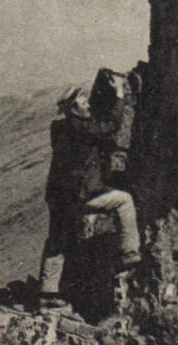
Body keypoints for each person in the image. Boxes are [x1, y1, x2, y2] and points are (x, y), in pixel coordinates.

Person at [38, 81, 140, 305]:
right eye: (83, 101)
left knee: (57, 240)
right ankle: (129, 252)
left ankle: (47, 293)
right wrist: (119, 94)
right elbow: (111, 126)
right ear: (74, 109)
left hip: (58, 197)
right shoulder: (82, 129)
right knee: (124, 200)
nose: (88, 104)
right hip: (80, 195)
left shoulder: (59, 128)